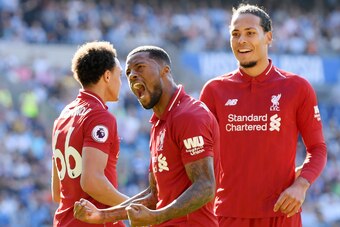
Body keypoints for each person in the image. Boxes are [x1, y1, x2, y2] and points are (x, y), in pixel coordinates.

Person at [199, 4, 327, 227]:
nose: (242, 40)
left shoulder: (297, 87)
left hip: (281, 213)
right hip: (227, 214)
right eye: (235, 34)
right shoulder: (213, 90)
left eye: (250, 33)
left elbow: (317, 148)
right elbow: (200, 155)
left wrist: (301, 185)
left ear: (268, 37)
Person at [73, 45, 220, 227]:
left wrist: (157, 216)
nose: (132, 75)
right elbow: (155, 193)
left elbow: (205, 186)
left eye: (140, 67)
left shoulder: (189, 115)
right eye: (128, 73)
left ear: (165, 71)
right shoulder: (159, 123)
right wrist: (102, 215)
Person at [51, 41, 129, 227]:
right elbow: (92, 182)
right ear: (107, 76)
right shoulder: (99, 116)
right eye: (120, 74)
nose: (121, 81)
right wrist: (134, 207)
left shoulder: (64, 115)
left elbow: (57, 192)